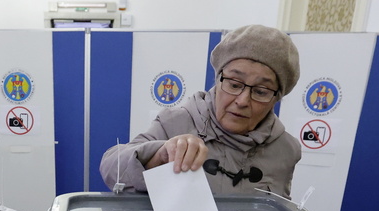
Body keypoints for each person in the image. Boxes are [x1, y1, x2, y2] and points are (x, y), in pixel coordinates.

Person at [101, 24, 302, 199]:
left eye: (260, 91)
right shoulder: (175, 122)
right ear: (218, 79)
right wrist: (159, 155)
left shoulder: (286, 149)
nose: (242, 101)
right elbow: (112, 168)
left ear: (276, 97)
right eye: (234, 84)